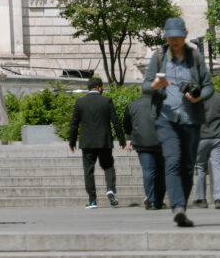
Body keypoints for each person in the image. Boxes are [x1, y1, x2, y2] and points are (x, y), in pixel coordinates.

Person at [143, 16, 214, 228]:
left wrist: (199, 96)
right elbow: (145, 86)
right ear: (166, 36)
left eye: (177, 37)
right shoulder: (159, 56)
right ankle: (178, 207)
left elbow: (209, 86)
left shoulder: (195, 56)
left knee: (188, 165)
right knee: (172, 160)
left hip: (190, 119)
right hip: (166, 118)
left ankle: (180, 205)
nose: (174, 41)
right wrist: (155, 85)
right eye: (170, 37)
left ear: (185, 35)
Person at [68, 76, 126, 209]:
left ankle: (92, 200)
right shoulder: (106, 101)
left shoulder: (80, 102)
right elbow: (115, 122)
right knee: (108, 166)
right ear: (99, 87)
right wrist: (122, 140)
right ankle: (110, 189)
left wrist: (72, 142)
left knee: (88, 170)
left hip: (87, 142)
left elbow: (74, 124)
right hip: (104, 141)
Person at [123, 87, 165, 209]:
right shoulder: (162, 104)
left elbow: (126, 123)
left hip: (142, 143)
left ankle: (151, 200)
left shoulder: (133, 105)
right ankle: (159, 200)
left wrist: (129, 136)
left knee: (148, 171)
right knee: (161, 172)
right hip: (161, 142)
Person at [193, 85, 220, 209]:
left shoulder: (195, 98)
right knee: (218, 167)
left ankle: (201, 199)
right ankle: (217, 199)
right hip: (218, 137)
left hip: (200, 138)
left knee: (200, 167)